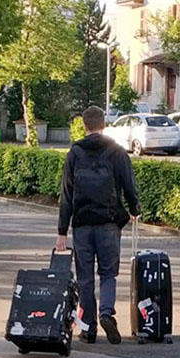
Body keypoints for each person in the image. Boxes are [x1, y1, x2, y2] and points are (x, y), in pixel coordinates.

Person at [56, 105, 140, 345]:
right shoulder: (117, 152)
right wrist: (134, 210)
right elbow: (129, 185)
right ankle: (106, 313)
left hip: (82, 225)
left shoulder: (75, 153)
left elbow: (66, 194)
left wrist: (62, 231)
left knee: (85, 277)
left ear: (84, 125)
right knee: (108, 273)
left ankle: (89, 328)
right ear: (104, 124)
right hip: (109, 223)